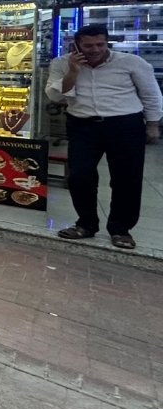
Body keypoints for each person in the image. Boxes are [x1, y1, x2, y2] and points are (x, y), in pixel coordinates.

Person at [45, 24, 161, 250]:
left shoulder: (131, 63)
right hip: (83, 124)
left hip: (125, 123)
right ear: (76, 45)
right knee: (79, 176)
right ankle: (86, 224)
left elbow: (151, 94)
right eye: (88, 46)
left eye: (100, 44)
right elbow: (55, 96)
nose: (95, 49)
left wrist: (153, 125)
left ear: (107, 42)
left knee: (126, 178)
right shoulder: (61, 63)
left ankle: (120, 229)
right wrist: (74, 71)